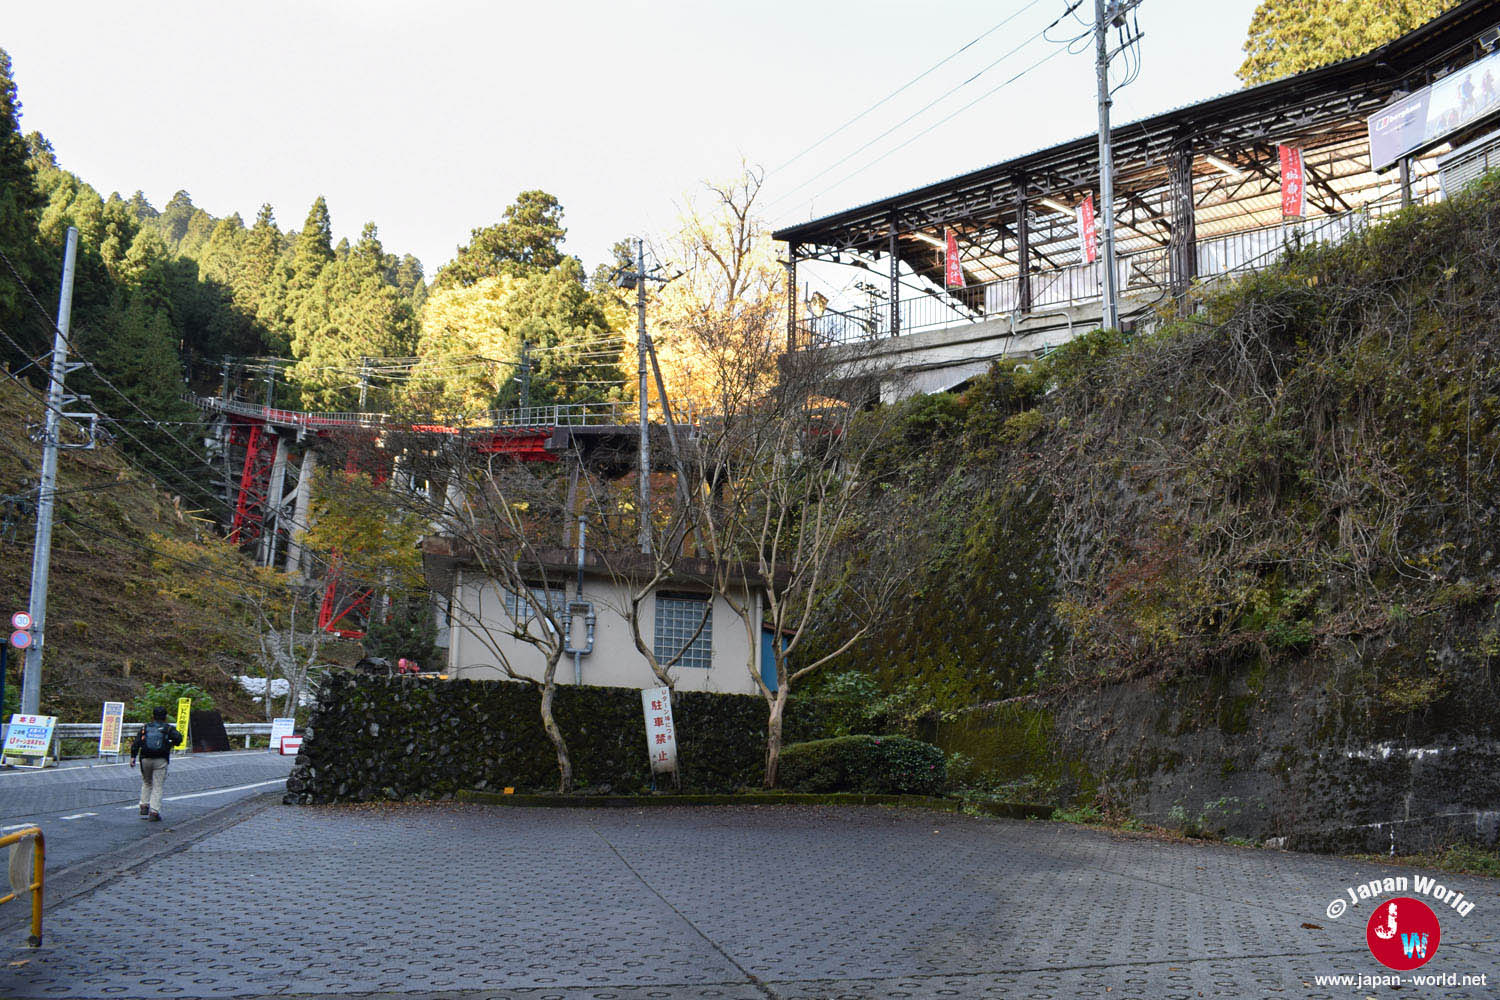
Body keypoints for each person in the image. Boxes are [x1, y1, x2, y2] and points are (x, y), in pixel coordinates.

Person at [129, 707, 182, 822]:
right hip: (161, 759)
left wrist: (133, 757)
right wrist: (170, 744)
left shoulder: (145, 727)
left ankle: (144, 805)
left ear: (152, 716)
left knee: (147, 782)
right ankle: (154, 812)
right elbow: (179, 738)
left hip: (145, 759)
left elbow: (136, 743)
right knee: (157, 785)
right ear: (165, 717)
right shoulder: (168, 728)